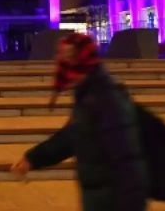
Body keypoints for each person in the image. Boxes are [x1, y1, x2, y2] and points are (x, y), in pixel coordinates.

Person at [10, 33, 149, 211]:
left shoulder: (101, 97)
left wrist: (33, 158)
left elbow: (73, 136)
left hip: (113, 195)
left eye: (70, 59)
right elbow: (76, 135)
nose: (63, 65)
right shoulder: (94, 91)